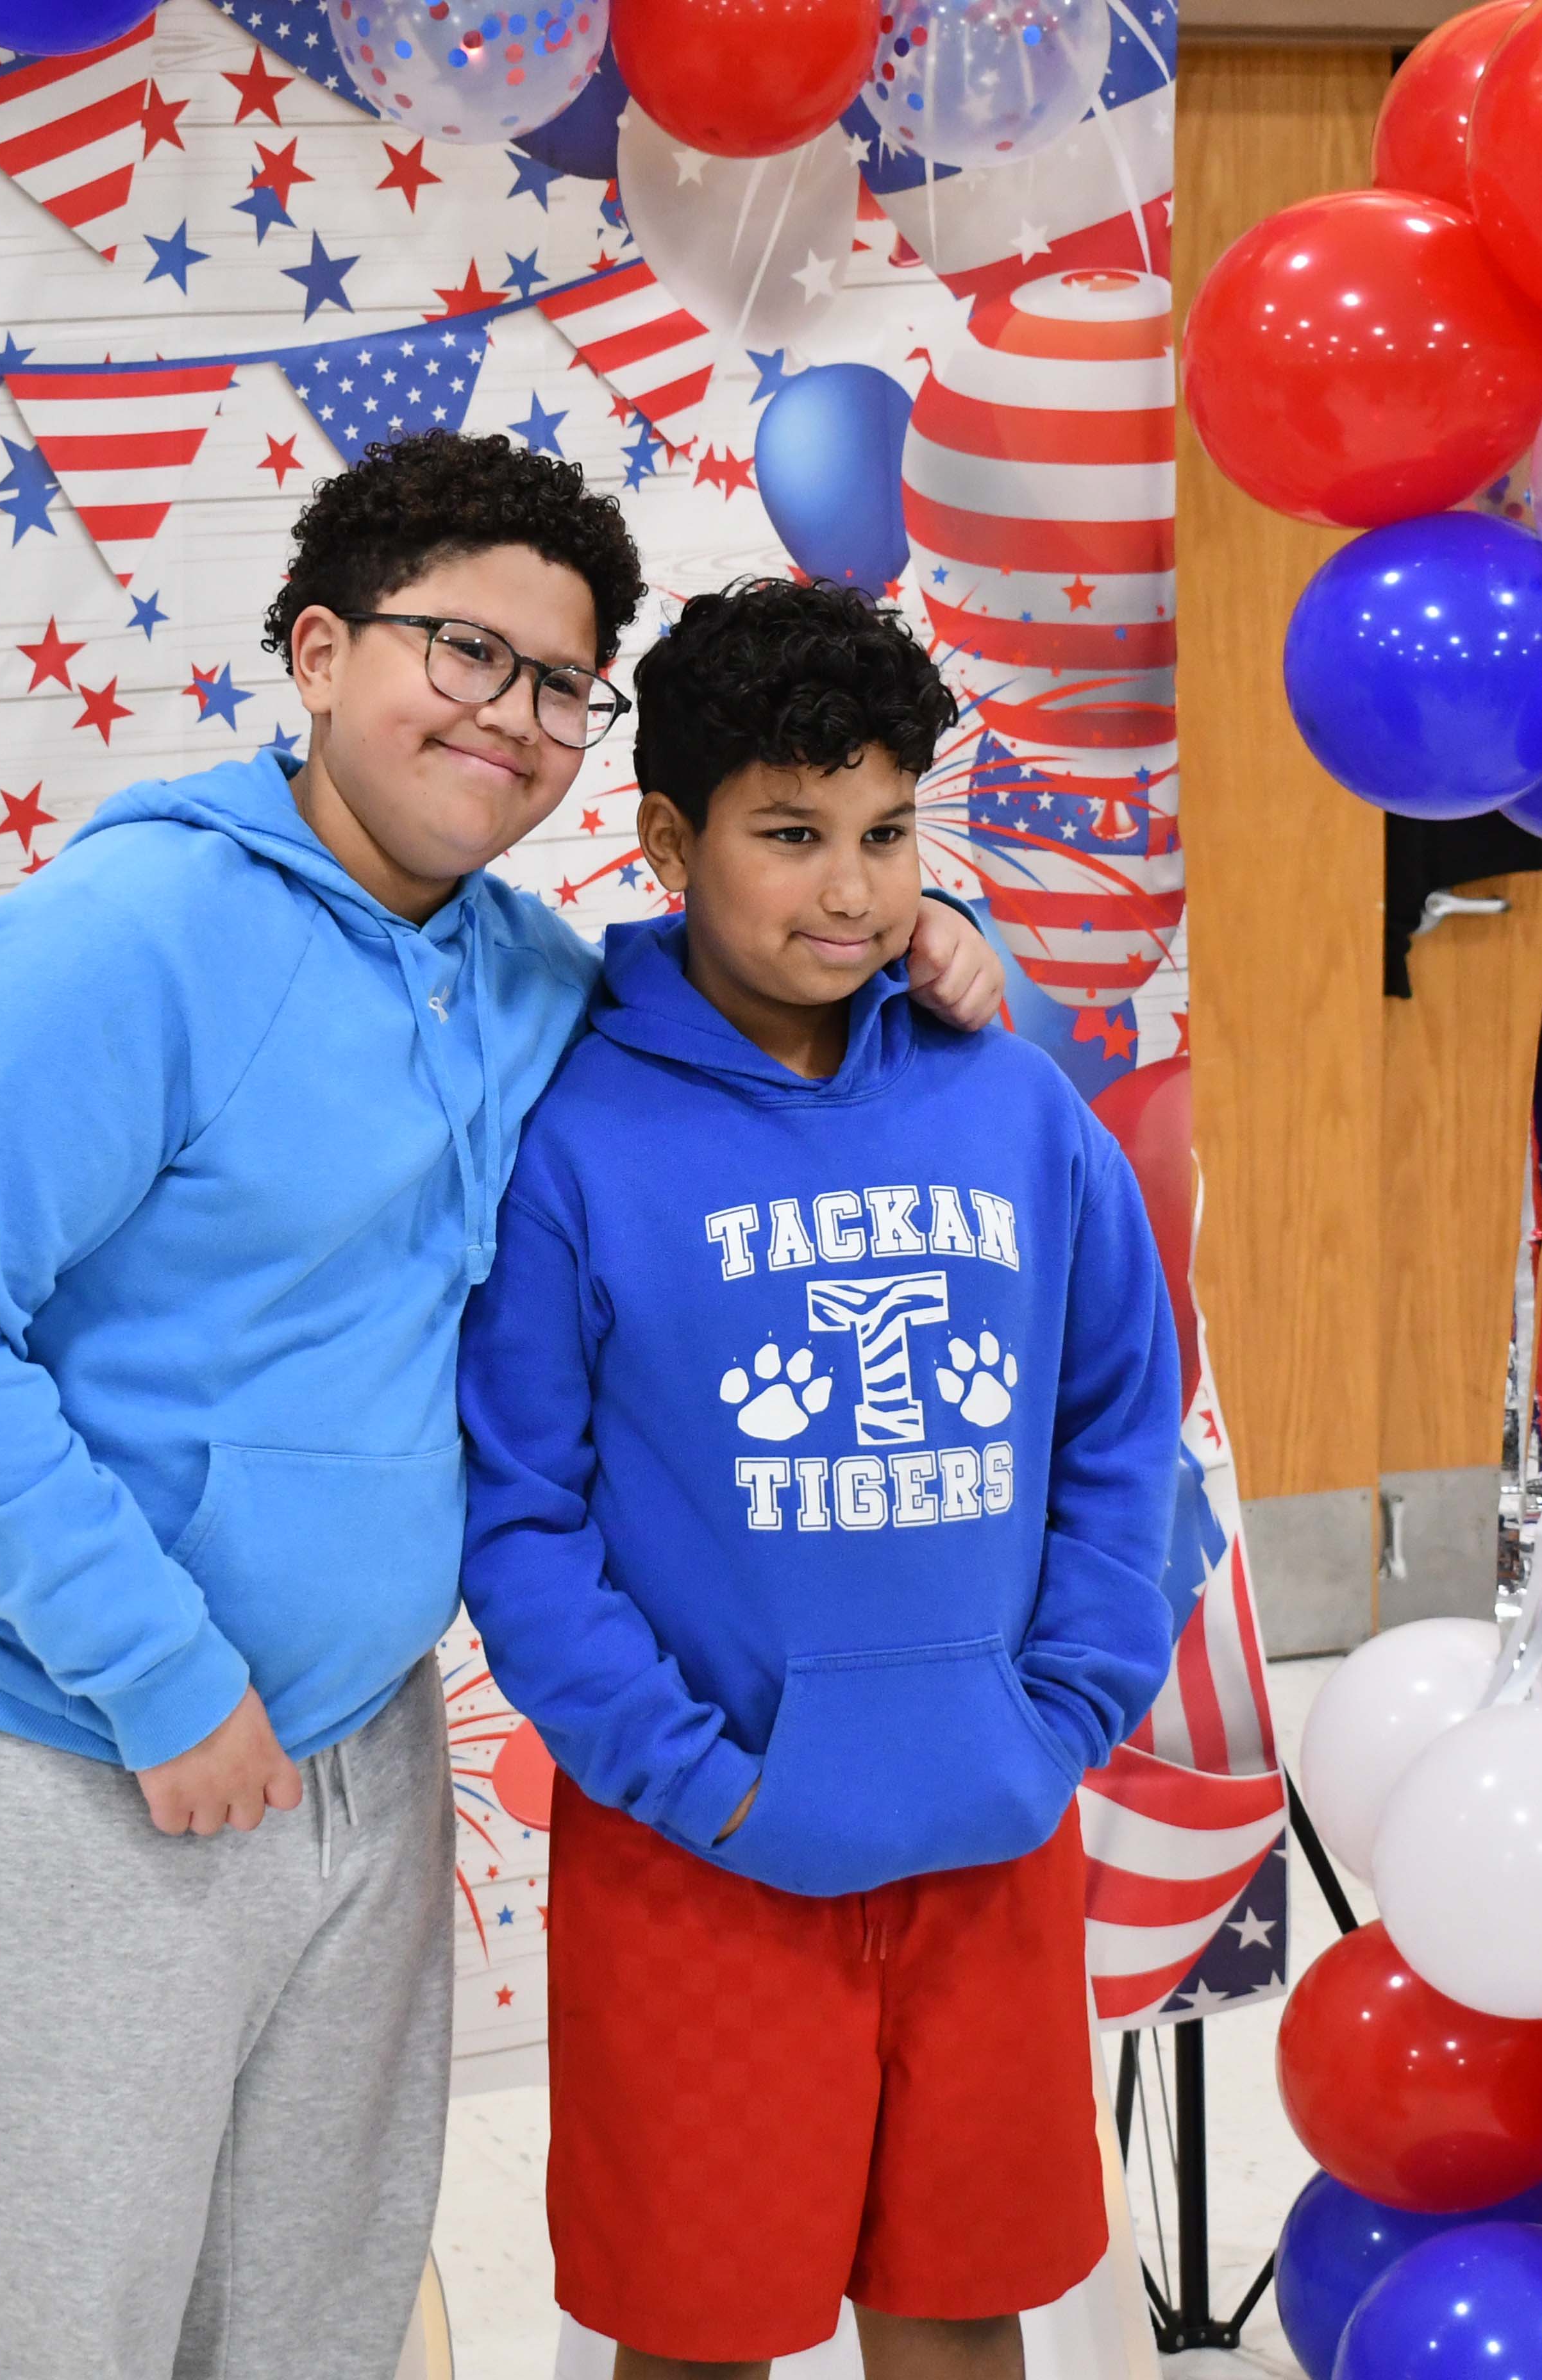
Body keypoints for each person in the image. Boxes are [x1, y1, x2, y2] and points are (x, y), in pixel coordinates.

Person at [0, 437, 1003, 2380]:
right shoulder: (126, 938)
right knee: (66, 2328)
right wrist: (156, 1673)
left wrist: (947, 947)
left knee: (316, 2319)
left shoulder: (523, 974)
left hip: (362, 1750)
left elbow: (767, 968)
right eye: (464, 652)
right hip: (89, 1746)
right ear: (316, 649)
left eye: (557, 685)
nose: (510, 717)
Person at [456, 580, 1188, 2380]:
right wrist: (693, 1786)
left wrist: (1066, 1710)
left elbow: (1121, 1433)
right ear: (666, 838)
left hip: (986, 1836)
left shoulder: (1016, 1110)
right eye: (791, 836)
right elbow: (519, 1515)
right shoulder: (571, 1136)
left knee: (957, 2304)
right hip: (703, 1866)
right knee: (696, 2331)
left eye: (883, 834)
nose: (850, 891)